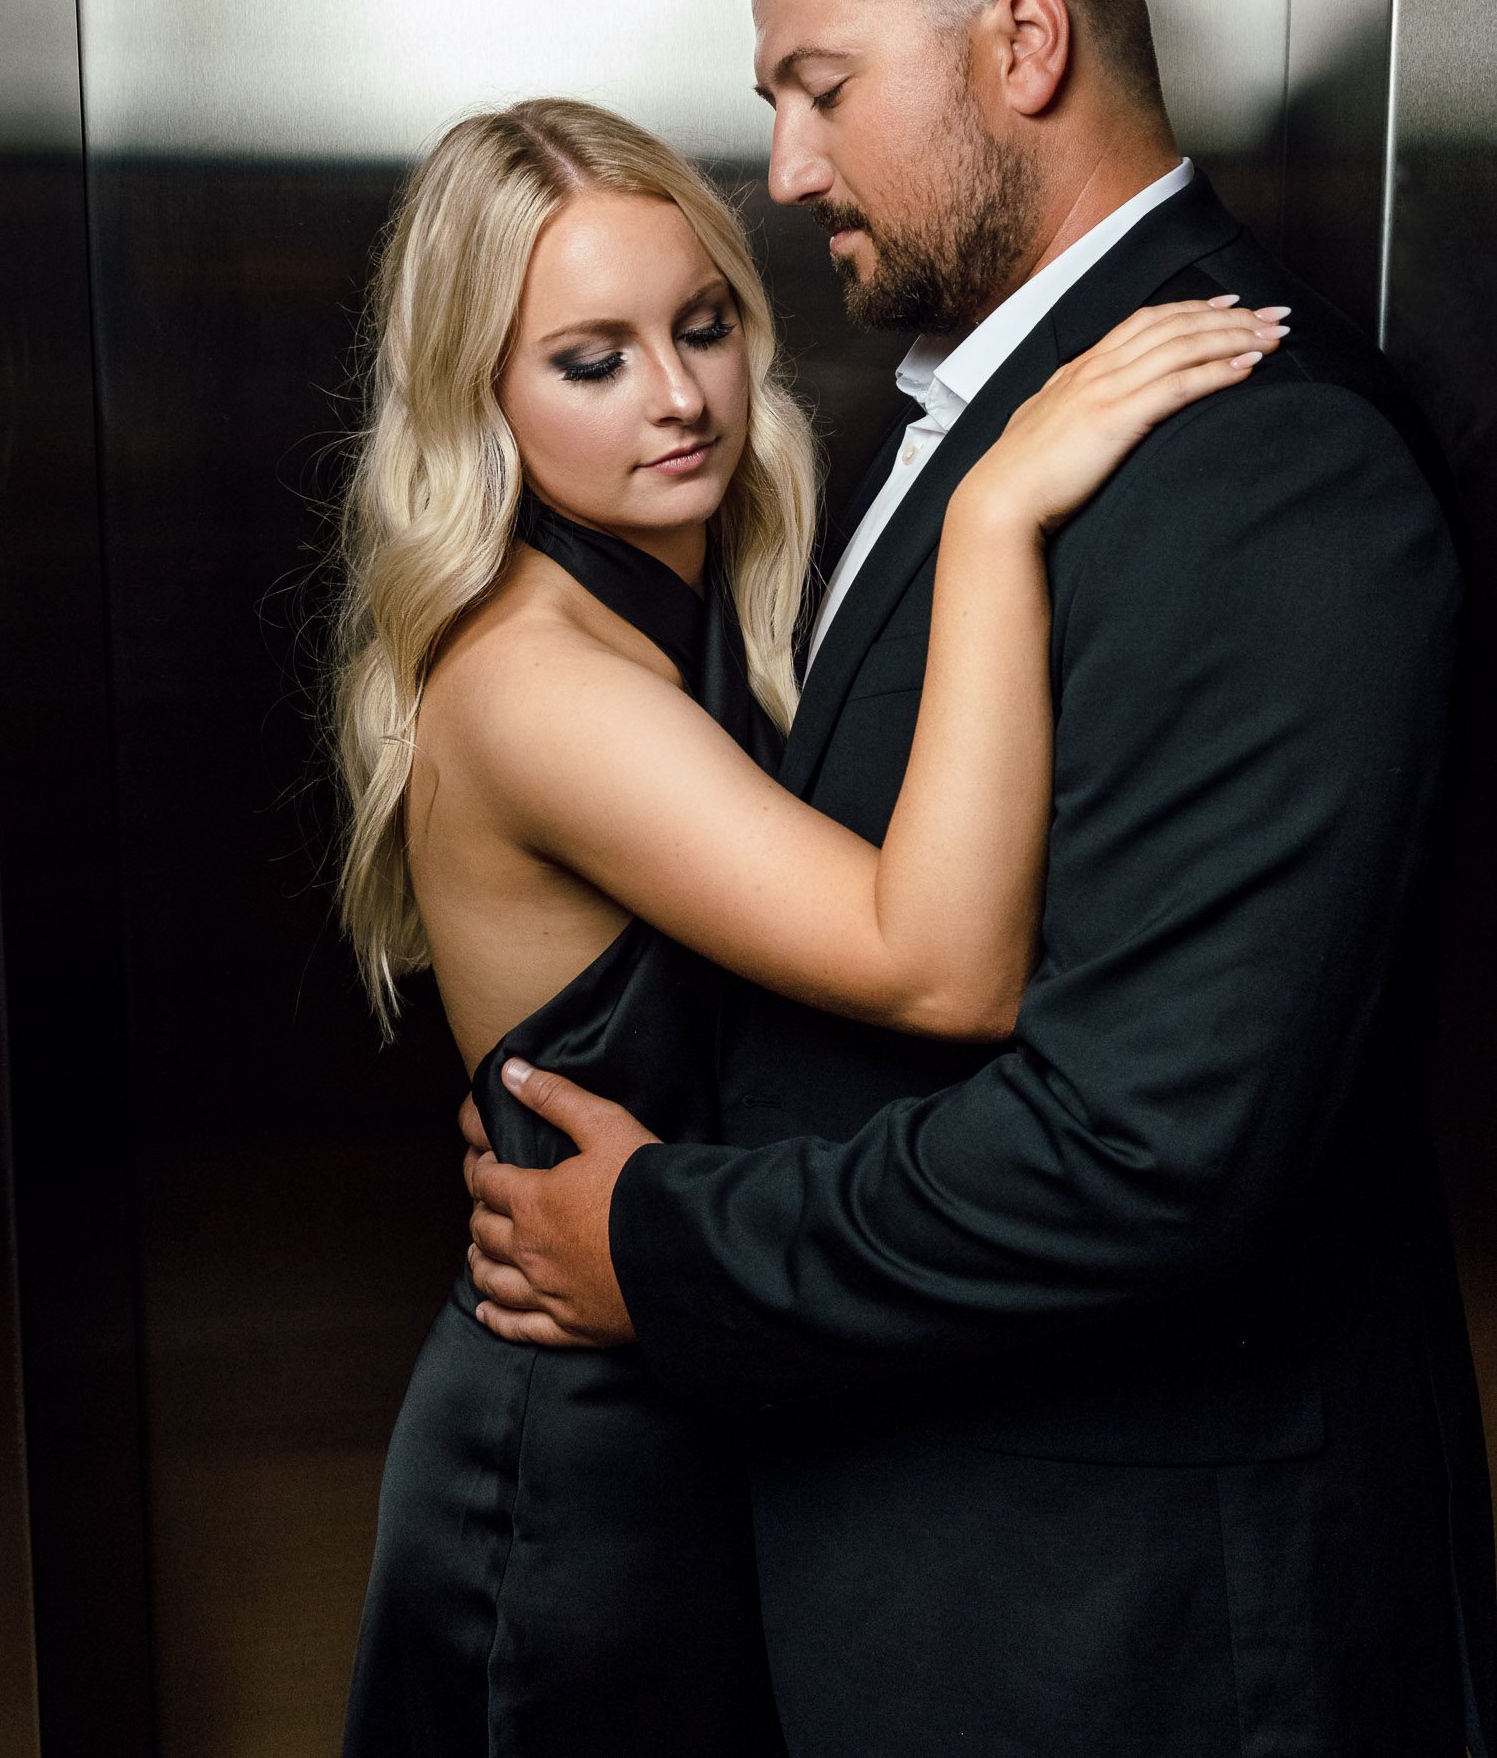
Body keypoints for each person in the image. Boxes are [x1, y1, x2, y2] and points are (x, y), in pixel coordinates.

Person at [463, 0, 1497, 1757]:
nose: (782, 169)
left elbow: (1147, 1150)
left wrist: (667, 1248)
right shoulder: (967, 417)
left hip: (1141, 1637)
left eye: (823, 88)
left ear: (1022, 45)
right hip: (944, 1582)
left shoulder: (1254, 461)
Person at [333, 93, 1279, 1756]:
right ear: (476, 391)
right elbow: (943, 964)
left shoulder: (685, 607)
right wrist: (997, 509)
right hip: (576, 1460)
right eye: (591, 359)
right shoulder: (542, 678)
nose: (683, 397)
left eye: (700, 327)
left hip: (709, 1402)